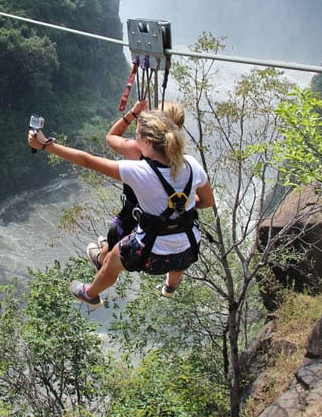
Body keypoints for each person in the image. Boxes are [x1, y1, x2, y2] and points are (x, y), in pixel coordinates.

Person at [28, 110, 214, 310]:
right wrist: (177, 205)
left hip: (151, 256)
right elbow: (207, 201)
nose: (135, 139)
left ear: (148, 143)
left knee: (113, 258)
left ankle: (89, 293)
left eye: (137, 136)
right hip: (189, 250)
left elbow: (88, 161)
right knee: (179, 241)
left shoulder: (139, 171)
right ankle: (170, 287)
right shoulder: (192, 165)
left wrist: (46, 144)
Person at [89, 99, 187, 292]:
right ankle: (170, 286)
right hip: (168, 228)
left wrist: (133, 113)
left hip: (134, 220)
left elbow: (111, 136)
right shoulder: (183, 161)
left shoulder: (137, 149)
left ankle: (101, 258)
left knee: (115, 243)